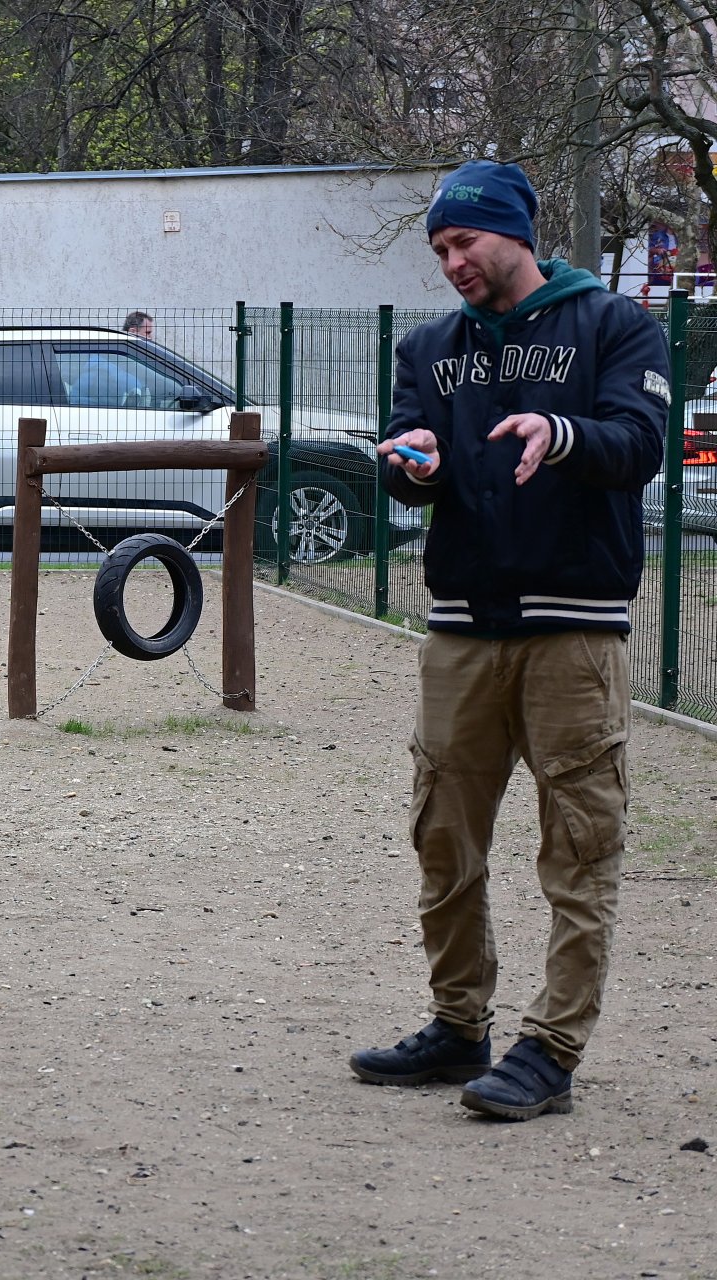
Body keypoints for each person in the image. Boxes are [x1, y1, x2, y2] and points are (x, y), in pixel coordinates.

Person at [351, 160, 667, 1121]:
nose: (452, 262)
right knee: (442, 836)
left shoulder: (614, 325)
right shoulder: (429, 346)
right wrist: (410, 466)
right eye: (440, 248)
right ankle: (458, 1025)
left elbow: (640, 445)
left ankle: (553, 1049)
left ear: (516, 234)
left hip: (573, 631)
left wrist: (560, 433)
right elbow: (412, 455)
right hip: (461, 631)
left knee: (579, 844)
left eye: (465, 243)